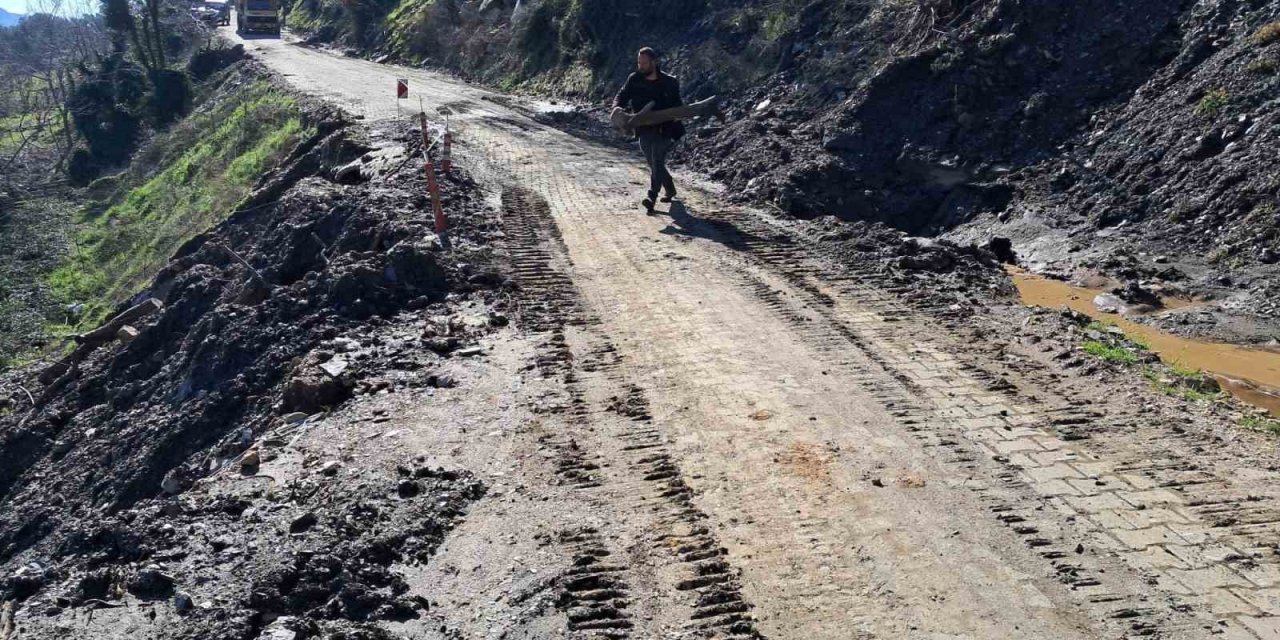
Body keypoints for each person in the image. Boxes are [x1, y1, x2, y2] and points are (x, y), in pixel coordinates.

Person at [613, 47, 685, 214]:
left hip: (667, 128)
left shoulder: (670, 82)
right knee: (653, 163)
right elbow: (622, 95)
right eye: (639, 62)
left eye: (644, 63)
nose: (641, 66)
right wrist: (616, 107)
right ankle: (670, 188)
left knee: (657, 158)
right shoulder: (634, 79)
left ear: (654, 62)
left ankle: (651, 196)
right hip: (644, 128)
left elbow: (678, 105)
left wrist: (678, 115)